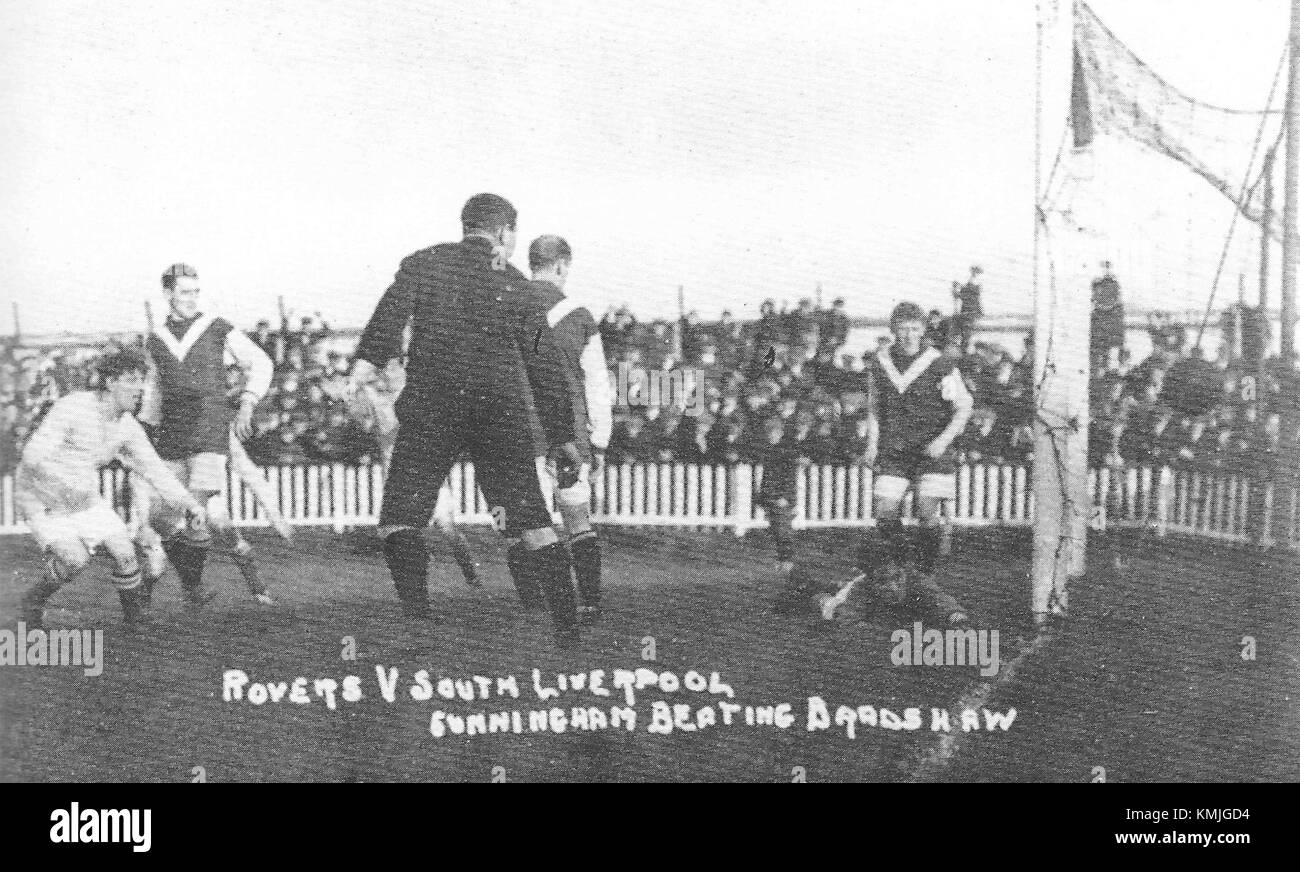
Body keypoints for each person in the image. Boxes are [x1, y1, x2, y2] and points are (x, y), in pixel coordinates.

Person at [350, 193, 584, 647]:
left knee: (400, 518)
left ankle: (417, 619)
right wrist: (562, 437)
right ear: (503, 233)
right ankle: (567, 625)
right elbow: (545, 366)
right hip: (498, 412)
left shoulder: (423, 264)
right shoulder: (516, 283)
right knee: (532, 520)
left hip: (432, 406)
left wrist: (363, 367)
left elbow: (387, 320)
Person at [16, 347, 208, 630]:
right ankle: (32, 600)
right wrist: (59, 487)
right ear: (109, 382)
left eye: (142, 380)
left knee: (125, 552)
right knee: (75, 561)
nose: (140, 388)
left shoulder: (128, 427)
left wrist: (189, 504)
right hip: (40, 493)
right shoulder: (73, 406)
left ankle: (136, 621)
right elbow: (32, 456)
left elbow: (155, 470)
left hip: (84, 497)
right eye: (131, 380)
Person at [826, 302, 973, 624]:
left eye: (915, 329)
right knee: (884, 509)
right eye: (903, 328)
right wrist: (872, 445)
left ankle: (925, 572)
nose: (908, 335)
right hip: (895, 450)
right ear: (893, 330)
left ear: (923, 330)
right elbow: (876, 408)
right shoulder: (880, 363)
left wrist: (942, 441)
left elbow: (964, 406)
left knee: (924, 509)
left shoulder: (940, 363)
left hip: (932, 451)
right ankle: (896, 568)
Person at [140, 263, 276, 608]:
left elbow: (261, 362)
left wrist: (247, 404)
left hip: (208, 432)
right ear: (168, 293)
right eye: (185, 291)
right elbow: (154, 392)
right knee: (163, 518)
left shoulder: (216, 327)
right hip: (172, 436)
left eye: (196, 291)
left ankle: (199, 590)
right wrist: (143, 436)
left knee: (196, 514)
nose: (192, 298)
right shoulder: (154, 338)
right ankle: (204, 586)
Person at [520, 235, 613, 623]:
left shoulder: (505, 308)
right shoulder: (578, 315)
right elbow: (596, 383)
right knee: (577, 517)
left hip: (524, 433)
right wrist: (601, 440)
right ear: (560, 266)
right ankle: (589, 601)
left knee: (533, 524)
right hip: (570, 435)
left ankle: (542, 606)